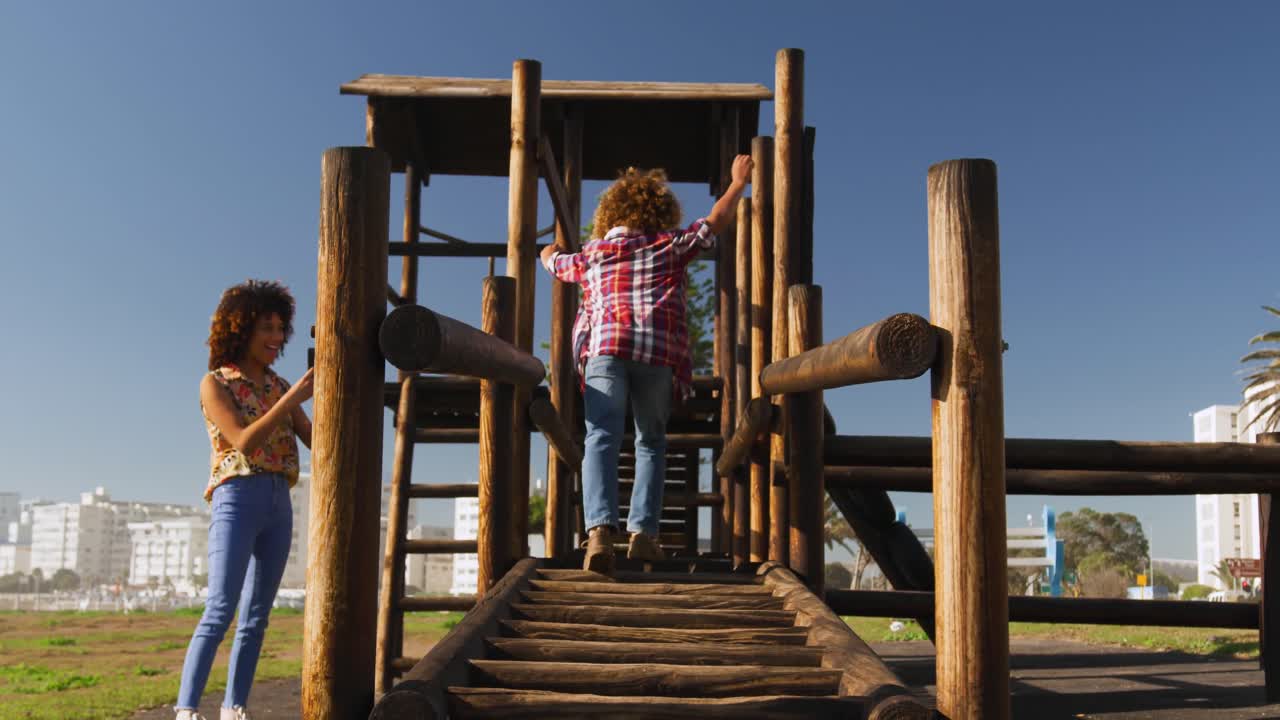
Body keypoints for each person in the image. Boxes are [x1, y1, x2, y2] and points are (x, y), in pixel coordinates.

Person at [541, 155, 752, 573]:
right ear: (659, 213)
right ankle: (643, 535)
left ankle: (599, 530)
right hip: (656, 355)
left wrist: (547, 250)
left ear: (610, 215)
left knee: (600, 436)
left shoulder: (592, 254)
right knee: (651, 441)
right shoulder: (669, 246)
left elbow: (554, 263)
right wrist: (738, 182)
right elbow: (716, 221)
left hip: (605, 349)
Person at [175, 280, 313, 720]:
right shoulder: (215, 384)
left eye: (280, 329)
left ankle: (234, 708)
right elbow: (243, 442)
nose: (276, 338)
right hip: (236, 497)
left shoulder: (279, 384)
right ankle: (187, 710)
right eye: (266, 328)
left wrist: (330, 389)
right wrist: (293, 399)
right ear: (241, 330)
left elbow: (317, 441)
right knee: (220, 608)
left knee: (257, 617)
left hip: (279, 501)